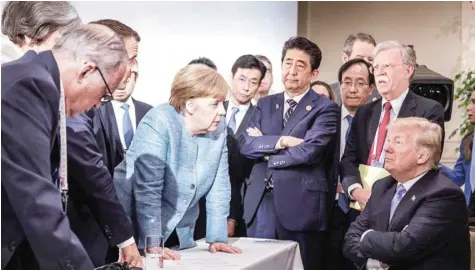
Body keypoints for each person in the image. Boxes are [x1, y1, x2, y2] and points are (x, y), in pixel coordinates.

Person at [2, 24, 129, 270]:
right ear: (86, 71)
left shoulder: (32, 79)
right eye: (104, 94)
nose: (96, 107)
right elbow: (36, 198)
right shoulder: (29, 85)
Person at [114, 64, 242, 259]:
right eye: (214, 104)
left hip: (179, 227)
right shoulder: (158, 121)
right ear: (190, 105)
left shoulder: (219, 127)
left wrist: (217, 237)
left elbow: (220, 185)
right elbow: (148, 190)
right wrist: (153, 243)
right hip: (135, 224)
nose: (222, 112)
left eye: (223, 104)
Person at [239, 36, 339, 270]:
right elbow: (245, 144)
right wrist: (282, 141)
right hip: (260, 204)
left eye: (300, 65)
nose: (291, 71)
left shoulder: (325, 108)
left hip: (300, 206)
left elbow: (309, 151)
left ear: (314, 74)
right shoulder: (264, 104)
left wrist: (265, 150)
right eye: (287, 63)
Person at [343, 117, 470, 270]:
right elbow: (350, 240)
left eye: (397, 142)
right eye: (388, 140)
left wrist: (366, 236)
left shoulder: (445, 195)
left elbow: (403, 247)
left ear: (422, 156)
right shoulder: (382, 186)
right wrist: (375, 263)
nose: (386, 148)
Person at [340, 41, 445, 216]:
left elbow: (426, 163)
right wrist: (356, 191)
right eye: (376, 67)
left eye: (386, 66)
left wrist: (384, 194)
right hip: (361, 208)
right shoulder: (364, 112)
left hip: (403, 209)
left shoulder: (428, 110)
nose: (379, 72)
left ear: (408, 70)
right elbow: (348, 160)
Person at [324, 58, 374, 270]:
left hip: (365, 208)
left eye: (360, 83)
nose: (352, 89)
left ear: (371, 88)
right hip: (329, 207)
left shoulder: (379, 121)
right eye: (346, 82)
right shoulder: (325, 117)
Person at [440, 86, 474, 204]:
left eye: (474, 102)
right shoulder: (468, 141)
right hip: (469, 214)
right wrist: (434, 163)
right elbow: (457, 178)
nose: (468, 107)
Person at [330, 32, 379, 105]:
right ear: (345, 59)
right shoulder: (329, 93)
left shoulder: (381, 95)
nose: (366, 63)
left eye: (370, 59)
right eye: (359, 58)